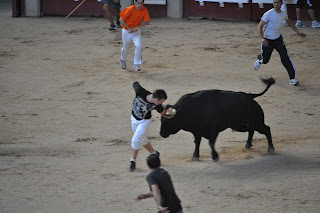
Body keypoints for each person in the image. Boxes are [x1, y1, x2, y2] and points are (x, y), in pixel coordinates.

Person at [254, 0, 306, 86]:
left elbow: (288, 21)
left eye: (278, 2)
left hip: (278, 39)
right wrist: (262, 38)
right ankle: (260, 59)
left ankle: (292, 79)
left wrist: (297, 32)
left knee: (285, 58)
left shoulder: (283, 13)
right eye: (274, 2)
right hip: (267, 40)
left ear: (281, 4)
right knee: (265, 60)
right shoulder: (268, 14)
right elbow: (259, 26)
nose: (276, 4)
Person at [130, 82, 173, 172]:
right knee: (142, 139)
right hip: (133, 119)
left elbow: (164, 114)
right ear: (156, 99)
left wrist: (172, 113)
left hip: (144, 121)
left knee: (135, 140)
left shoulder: (157, 105)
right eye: (162, 101)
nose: (162, 103)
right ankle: (154, 153)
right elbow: (135, 84)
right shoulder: (140, 92)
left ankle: (133, 160)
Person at [119, 0, 150, 72]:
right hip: (126, 31)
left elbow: (147, 23)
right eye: (138, 3)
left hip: (136, 31)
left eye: (141, 3)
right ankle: (123, 60)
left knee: (139, 45)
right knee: (126, 48)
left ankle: (136, 63)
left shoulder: (144, 10)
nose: (139, 5)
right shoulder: (130, 9)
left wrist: (136, 28)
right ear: (135, 3)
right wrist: (128, 27)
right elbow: (121, 19)